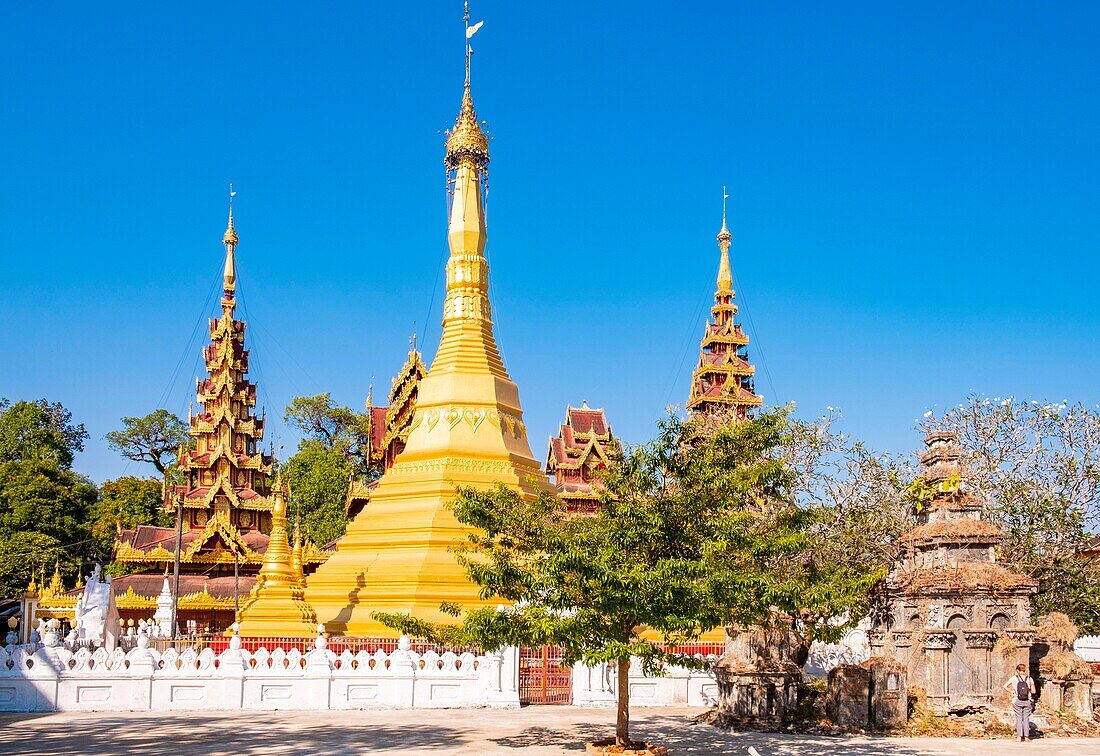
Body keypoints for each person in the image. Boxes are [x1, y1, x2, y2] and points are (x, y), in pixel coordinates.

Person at [1003, 663, 1037, 741]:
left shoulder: (1014, 678)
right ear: (1024, 670)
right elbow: (1034, 691)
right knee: (1026, 718)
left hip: (1017, 700)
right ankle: (1026, 737)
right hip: (1027, 700)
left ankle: (1019, 737)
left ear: (1017, 670)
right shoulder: (1029, 678)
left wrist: (1011, 691)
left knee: (1019, 718)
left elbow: (1004, 686)